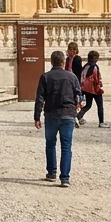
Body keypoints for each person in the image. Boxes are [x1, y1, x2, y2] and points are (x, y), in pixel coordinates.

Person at [35, 50, 84, 188]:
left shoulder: (45, 77)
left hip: (51, 114)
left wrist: (37, 116)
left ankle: (51, 172)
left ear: (51, 62)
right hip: (68, 114)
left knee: (50, 144)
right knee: (66, 146)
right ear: (63, 62)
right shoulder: (72, 77)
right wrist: (77, 106)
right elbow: (79, 95)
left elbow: (40, 98)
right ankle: (65, 178)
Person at [78, 50, 107, 128]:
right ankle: (101, 122)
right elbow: (96, 78)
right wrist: (99, 87)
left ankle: (78, 116)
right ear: (95, 58)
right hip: (94, 89)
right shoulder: (95, 67)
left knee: (88, 105)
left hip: (86, 89)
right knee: (100, 105)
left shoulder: (85, 66)